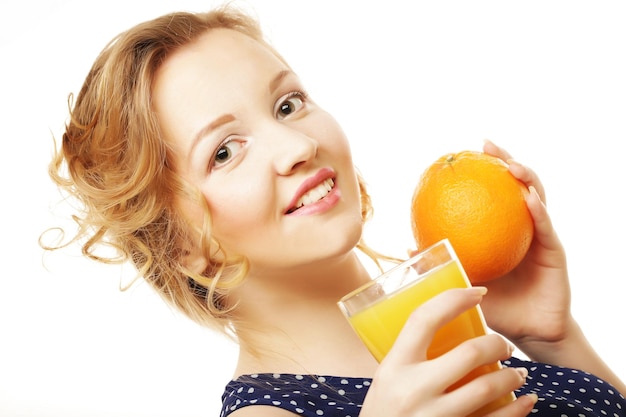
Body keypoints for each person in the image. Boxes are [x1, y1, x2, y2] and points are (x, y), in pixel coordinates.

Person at [44, 4, 626, 416]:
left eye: (288, 103)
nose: (299, 147)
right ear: (182, 245)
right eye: (224, 152)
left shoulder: (461, 335)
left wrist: (552, 340)